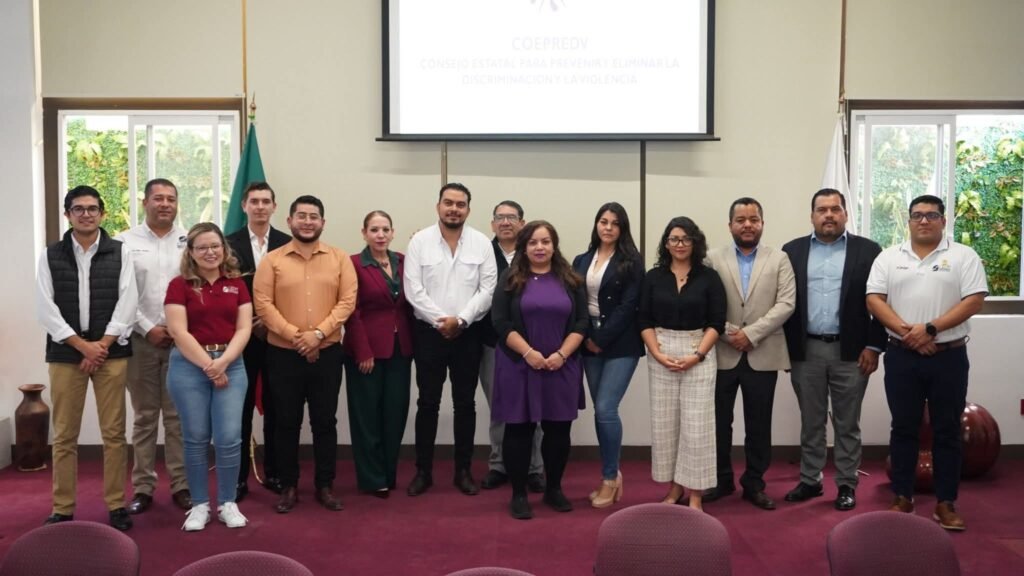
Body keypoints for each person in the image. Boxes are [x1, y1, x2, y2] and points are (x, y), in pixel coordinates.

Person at [866, 194, 987, 531]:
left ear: (943, 221)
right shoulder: (890, 257)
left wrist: (931, 329)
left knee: (947, 430)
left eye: (931, 215)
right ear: (908, 221)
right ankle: (902, 497)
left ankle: (945, 503)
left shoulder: (963, 256)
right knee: (903, 427)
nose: (923, 220)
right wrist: (911, 335)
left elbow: (974, 300)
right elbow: (874, 299)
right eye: (917, 215)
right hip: (902, 356)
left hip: (948, 356)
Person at [36, 186, 137, 531]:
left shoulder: (120, 253)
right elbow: (45, 309)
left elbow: (128, 302)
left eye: (92, 208)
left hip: (111, 353)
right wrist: (83, 346)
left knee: (114, 433)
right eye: (78, 209)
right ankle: (62, 508)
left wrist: (101, 345)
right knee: (64, 435)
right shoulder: (50, 255)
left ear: (102, 214)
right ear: (67, 214)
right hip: (66, 354)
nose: (86, 214)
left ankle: (116, 505)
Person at [781, 188, 886, 511]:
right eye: (822, 209)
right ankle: (810, 480)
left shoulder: (869, 251)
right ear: (812, 215)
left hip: (852, 352)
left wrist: (874, 346)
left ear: (845, 214)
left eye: (835, 209)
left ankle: (846, 484)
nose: (829, 215)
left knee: (847, 423)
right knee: (811, 421)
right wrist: (785, 350)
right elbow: (783, 301)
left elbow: (884, 301)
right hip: (806, 350)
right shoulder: (792, 251)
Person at [253, 195, 358, 513]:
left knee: (325, 422)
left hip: (327, 354)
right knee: (286, 422)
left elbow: (347, 302)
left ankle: (325, 485)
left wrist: (318, 334)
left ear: (323, 223)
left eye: (314, 217)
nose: (308, 221)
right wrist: (296, 336)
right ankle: (288, 486)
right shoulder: (272, 260)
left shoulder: (339, 258)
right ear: (289, 221)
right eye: (302, 216)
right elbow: (263, 304)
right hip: (283, 355)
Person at [403, 183, 497, 497]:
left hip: (468, 335)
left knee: (465, 404)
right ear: (438, 206)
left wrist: (462, 320)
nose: (453, 209)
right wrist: (442, 320)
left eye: (460, 204)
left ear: (468, 209)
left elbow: (488, 289)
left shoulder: (481, 243)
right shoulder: (420, 242)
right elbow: (413, 289)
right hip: (429, 334)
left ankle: (463, 471)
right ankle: (423, 472)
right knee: (427, 402)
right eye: (448, 203)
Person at [491, 220, 588, 519]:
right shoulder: (509, 279)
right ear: (524, 247)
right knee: (518, 430)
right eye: (533, 242)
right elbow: (500, 322)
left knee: (558, 431)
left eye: (545, 241)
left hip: (562, 365)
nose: (540, 247)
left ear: (554, 246)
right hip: (519, 365)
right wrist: (529, 353)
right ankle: (519, 494)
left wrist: (561, 354)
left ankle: (554, 489)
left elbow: (582, 322)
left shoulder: (571, 280)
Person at [704, 197, 796, 510]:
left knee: (759, 424)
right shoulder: (712, 258)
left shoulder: (779, 258)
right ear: (730, 224)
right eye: (741, 220)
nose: (747, 225)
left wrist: (751, 334)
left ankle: (754, 483)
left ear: (762, 223)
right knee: (719, 423)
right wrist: (732, 334)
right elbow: (706, 302)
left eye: (753, 219)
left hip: (763, 353)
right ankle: (721, 479)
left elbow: (786, 303)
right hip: (722, 353)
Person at [165, 223, 252, 531]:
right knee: (196, 437)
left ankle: (228, 503)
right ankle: (200, 505)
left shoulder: (237, 284)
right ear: (191, 252)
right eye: (202, 247)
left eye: (215, 246)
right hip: (189, 366)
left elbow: (244, 328)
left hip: (232, 364)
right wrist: (209, 366)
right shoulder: (179, 285)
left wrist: (223, 362)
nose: (210, 252)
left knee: (229, 437)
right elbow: (178, 331)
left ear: (224, 249)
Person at [638, 217, 725, 510]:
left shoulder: (709, 277)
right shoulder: (653, 277)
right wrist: (657, 353)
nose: (680, 244)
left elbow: (716, 322)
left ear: (695, 243)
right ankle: (675, 488)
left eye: (686, 239)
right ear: (666, 243)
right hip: (661, 353)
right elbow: (644, 319)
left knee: (697, 427)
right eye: (674, 239)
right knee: (667, 426)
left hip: (698, 353)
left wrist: (697, 355)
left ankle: (696, 494)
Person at [118, 178, 192, 514]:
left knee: (178, 418)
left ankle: (181, 485)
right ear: (145, 202)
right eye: (158, 198)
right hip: (140, 341)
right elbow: (122, 294)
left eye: (171, 199)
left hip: (182, 342)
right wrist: (147, 328)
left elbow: (195, 288)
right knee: (145, 417)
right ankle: (143, 488)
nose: (165, 204)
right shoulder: (125, 242)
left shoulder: (189, 240)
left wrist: (178, 330)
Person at [571, 202, 644, 508]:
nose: (608, 227)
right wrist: (587, 337)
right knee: (601, 413)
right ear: (596, 224)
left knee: (606, 409)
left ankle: (610, 478)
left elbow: (629, 307)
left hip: (620, 343)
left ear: (622, 228)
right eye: (603, 221)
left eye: (615, 223)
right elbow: (576, 301)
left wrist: (601, 338)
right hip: (588, 341)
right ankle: (610, 473)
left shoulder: (632, 262)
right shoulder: (581, 259)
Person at [225, 181, 291, 500]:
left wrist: (271, 321)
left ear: (274, 207)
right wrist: (246, 323)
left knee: (278, 407)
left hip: (278, 337)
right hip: (241, 339)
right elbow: (223, 289)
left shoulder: (288, 243)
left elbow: (294, 290)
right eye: (254, 201)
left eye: (266, 201)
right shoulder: (228, 244)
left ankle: (275, 472)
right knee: (241, 409)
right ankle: (238, 478)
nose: (260, 207)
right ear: (244, 206)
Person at [342, 211, 414, 498]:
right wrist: (363, 350)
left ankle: (388, 472)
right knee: (366, 416)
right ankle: (372, 478)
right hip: (366, 351)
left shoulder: (404, 261)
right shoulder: (353, 264)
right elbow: (351, 311)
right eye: (374, 230)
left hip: (401, 349)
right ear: (364, 233)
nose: (380, 235)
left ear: (393, 232)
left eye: (385, 229)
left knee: (395, 413)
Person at [479, 200, 546, 493]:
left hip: (533, 346)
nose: (505, 222)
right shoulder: (481, 252)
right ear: (492, 223)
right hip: (492, 342)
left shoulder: (534, 251)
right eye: (500, 217)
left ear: (522, 222)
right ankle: (499, 465)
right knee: (500, 406)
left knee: (534, 408)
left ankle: (534, 468)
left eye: (511, 217)